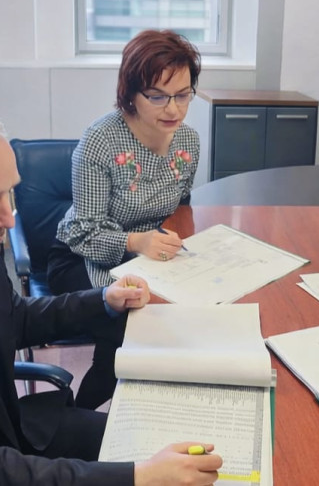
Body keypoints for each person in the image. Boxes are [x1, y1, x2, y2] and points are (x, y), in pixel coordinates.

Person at [0, 133, 222, 485]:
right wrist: (138, 477)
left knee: (155, 443)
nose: (9, 220)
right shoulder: (101, 140)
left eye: (8, 195)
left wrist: (104, 299)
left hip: (18, 427)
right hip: (13, 465)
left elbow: (17, 318)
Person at [46, 29, 202, 409]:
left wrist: (165, 242)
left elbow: (179, 210)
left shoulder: (188, 142)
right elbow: (83, 231)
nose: (173, 110)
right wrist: (136, 241)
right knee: (125, 331)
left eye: (183, 95)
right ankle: (80, 419)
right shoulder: (100, 141)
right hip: (80, 255)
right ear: (131, 92)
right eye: (158, 96)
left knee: (182, 317)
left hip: (146, 255)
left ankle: (152, 410)